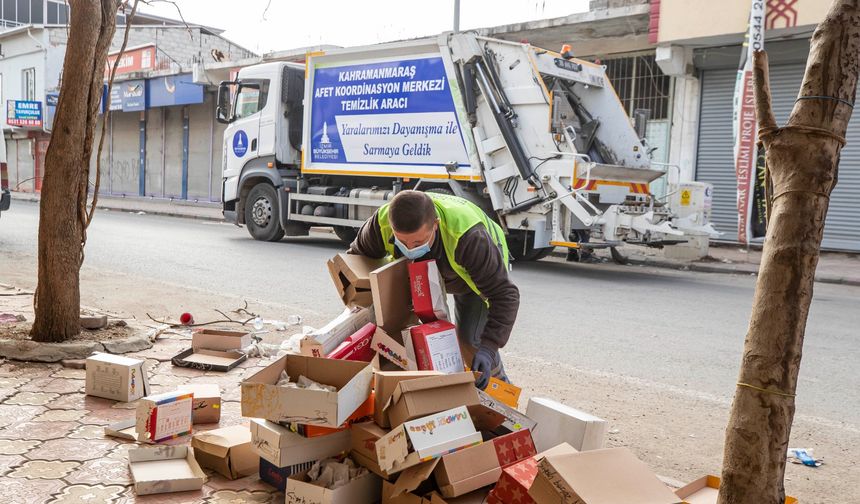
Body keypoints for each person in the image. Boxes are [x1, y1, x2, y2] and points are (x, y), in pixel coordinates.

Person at [348, 190, 519, 389]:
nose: (409, 248)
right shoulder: (382, 223)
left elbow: (505, 295)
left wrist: (488, 349)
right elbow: (354, 264)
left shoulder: (470, 238)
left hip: (471, 279)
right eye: (401, 241)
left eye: (418, 242)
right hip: (419, 273)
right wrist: (357, 313)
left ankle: (503, 397)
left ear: (435, 225)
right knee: (396, 332)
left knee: (472, 341)